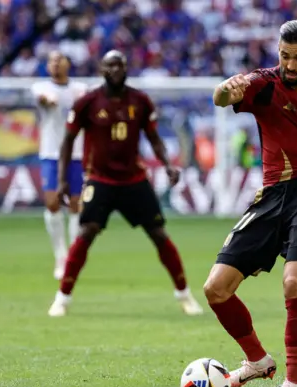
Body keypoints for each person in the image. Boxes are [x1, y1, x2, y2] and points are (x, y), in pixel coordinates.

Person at [204, 19, 297, 387]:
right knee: (216, 289)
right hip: (270, 196)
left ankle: (292, 380)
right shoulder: (263, 84)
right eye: (284, 55)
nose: (290, 64)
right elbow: (221, 98)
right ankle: (257, 361)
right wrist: (223, 90)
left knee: (294, 283)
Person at [47, 50, 203, 318]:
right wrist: (62, 180)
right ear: (101, 69)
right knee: (86, 233)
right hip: (99, 179)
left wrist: (166, 163)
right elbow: (68, 142)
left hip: (134, 179)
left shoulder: (140, 101)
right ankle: (62, 297)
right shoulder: (87, 102)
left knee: (159, 234)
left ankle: (184, 295)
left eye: (120, 65)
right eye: (110, 66)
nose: (115, 70)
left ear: (126, 69)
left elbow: (154, 138)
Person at [31, 51, 87, 279]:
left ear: (68, 64)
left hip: (76, 154)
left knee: (75, 205)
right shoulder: (41, 87)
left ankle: (72, 258)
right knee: (52, 202)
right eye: (51, 61)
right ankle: (60, 256)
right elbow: (43, 99)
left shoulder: (81, 89)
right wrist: (49, 101)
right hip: (51, 154)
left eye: (58, 60)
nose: (54, 64)